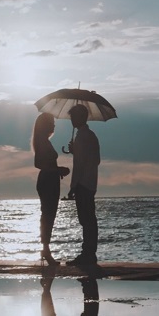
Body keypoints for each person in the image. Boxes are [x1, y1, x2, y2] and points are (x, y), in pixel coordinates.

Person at [65, 104, 100, 266]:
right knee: (88, 219)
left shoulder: (83, 137)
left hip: (83, 183)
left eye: (73, 117)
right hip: (90, 182)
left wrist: (74, 186)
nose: (71, 120)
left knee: (86, 219)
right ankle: (89, 253)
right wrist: (75, 151)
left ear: (80, 117)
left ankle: (88, 254)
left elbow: (80, 164)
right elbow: (95, 159)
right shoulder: (90, 135)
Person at [32, 112, 69, 265]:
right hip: (47, 181)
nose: (54, 125)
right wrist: (57, 170)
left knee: (49, 215)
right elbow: (38, 163)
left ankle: (46, 250)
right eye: (52, 122)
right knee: (48, 215)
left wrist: (56, 171)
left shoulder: (45, 141)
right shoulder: (42, 141)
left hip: (51, 181)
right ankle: (46, 250)